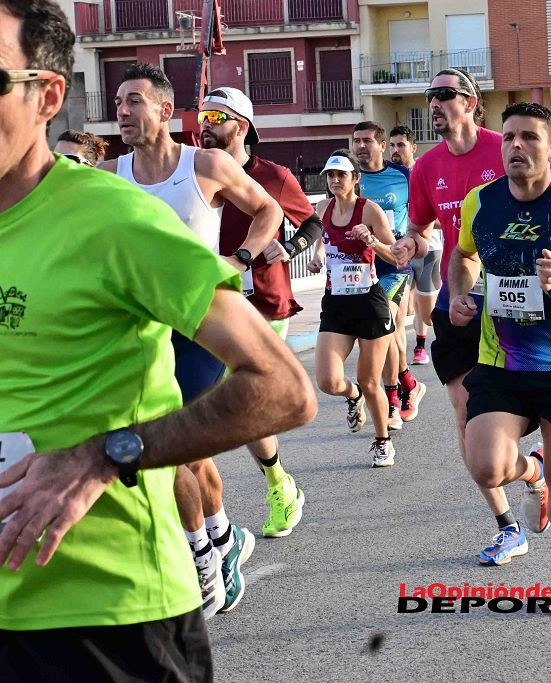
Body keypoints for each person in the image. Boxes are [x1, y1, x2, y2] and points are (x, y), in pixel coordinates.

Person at [0, 2, 316, 678]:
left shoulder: (113, 214)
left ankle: (216, 538)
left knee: (187, 458)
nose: (126, 112)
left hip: (102, 614)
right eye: (119, 102)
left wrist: (106, 455)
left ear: (47, 95)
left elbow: (284, 387)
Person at [98, 63, 284, 618]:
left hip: (202, 327)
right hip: (143, 333)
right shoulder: (109, 175)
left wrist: (241, 258)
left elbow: (268, 208)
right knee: (184, 451)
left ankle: (202, 556)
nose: (122, 111)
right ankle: (223, 539)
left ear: (163, 109)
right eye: (118, 102)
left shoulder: (203, 164)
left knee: (171, 446)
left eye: (134, 101)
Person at [449, 102, 551, 613]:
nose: (515, 146)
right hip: (501, 360)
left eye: (528, 137)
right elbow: (462, 256)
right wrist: (460, 293)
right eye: (507, 138)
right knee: (486, 466)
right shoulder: (480, 202)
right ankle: (532, 473)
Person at [390, 68, 548, 566]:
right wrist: (407, 243)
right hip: (458, 300)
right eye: (429, 96)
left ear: (471, 101)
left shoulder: (503, 146)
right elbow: (421, 228)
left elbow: (545, 200)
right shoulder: (426, 168)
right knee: (466, 415)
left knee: (529, 410)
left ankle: (532, 471)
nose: (434, 103)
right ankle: (507, 525)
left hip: (517, 294)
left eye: (443, 95)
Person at [198, 86, 322, 540]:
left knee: (245, 395)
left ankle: (275, 485)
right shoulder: (194, 172)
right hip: (210, 304)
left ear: (242, 126)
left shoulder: (273, 175)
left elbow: (312, 222)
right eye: (202, 116)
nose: (205, 125)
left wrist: (288, 248)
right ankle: (275, 481)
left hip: (266, 301)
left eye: (216, 116)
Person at [310, 150, 399, 465]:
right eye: (330, 176)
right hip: (336, 303)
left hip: (369, 303)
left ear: (356, 179)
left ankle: (382, 440)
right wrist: (318, 254)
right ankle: (352, 396)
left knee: (370, 380)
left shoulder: (370, 210)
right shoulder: (323, 208)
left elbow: (397, 256)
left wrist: (372, 241)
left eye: (341, 175)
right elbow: (323, 238)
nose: (334, 181)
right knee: (327, 380)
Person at [353, 120, 425, 430]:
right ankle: (409, 383)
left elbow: (425, 214)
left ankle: (393, 401)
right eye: (356, 140)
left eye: (368, 140)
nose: (361, 146)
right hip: (359, 267)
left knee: (383, 330)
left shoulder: (404, 176)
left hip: (393, 265)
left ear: (382, 145)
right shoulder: (351, 179)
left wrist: (413, 241)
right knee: (391, 332)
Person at [390, 125, 440, 366]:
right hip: (398, 249)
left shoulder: (425, 172)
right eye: (392, 145)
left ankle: (424, 343)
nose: (395, 150)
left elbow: (442, 211)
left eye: (400, 145)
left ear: (413, 147)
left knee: (426, 309)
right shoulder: (389, 177)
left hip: (428, 248)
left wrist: (422, 227)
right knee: (399, 306)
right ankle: (405, 356)